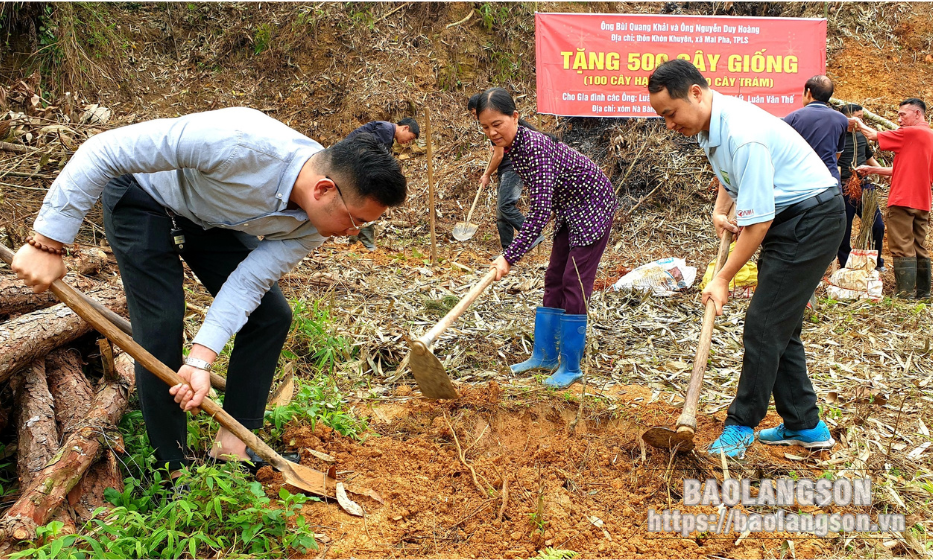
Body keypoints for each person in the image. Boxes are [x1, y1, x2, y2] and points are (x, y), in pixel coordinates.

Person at [11, 107, 407, 474]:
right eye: (355, 221)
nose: (353, 233)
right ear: (323, 189)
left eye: (364, 227)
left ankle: (234, 444)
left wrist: (200, 360)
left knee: (270, 315)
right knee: (161, 326)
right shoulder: (237, 142)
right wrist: (47, 242)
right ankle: (173, 468)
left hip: (209, 217)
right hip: (142, 197)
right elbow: (102, 150)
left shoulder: (316, 222)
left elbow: (250, 280)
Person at [648, 60, 845, 459]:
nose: (669, 124)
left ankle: (741, 425)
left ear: (696, 94)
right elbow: (730, 178)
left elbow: (759, 223)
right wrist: (723, 210)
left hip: (811, 219)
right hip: (792, 219)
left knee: (764, 324)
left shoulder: (742, 134)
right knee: (780, 326)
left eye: (670, 114)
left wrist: (722, 277)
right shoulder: (710, 126)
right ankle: (805, 425)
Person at [476, 88, 618, 389]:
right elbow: (548, 200)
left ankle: (570, 365)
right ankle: (544, 355)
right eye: (485, 127)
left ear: (515, 117)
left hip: (594, 205)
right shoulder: (516, 146)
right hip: (570, 209)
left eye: (497, 124)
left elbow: (539, 212)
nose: (491, 132)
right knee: (554, 276)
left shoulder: (535, 147)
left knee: (574, 281)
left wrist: (508, 256)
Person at [855, 98, 933, 299]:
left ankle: (904, 293)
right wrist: (873, 169)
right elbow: (903, 168)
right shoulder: (928, 135)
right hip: (922, 200)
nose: (899, 119)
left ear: (917, 113)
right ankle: (923, 293)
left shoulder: (910, 132)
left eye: (902, 115)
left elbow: (872, 135)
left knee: (901, 245)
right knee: (919, 245)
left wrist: (858, 123)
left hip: (903, 199)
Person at [468, 94, 542, 252]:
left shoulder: (517, 133)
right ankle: (508, 250)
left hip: (512, 169)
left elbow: (499, 155)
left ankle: (532, 235)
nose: (491, 131)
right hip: (506, 169)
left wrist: (487, 174)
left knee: (505, 206)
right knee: (501, 213)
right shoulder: (493, 127)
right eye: (485, 127)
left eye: (475, 112)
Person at [345, 117, 419, 250]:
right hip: (353, 164)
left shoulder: (386, 132)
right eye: (411, 137)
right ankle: (365, 243)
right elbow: (377, 159)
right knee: (367, 200)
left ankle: (355, 241)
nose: (409, 141)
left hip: (354, 165)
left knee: (360, 201)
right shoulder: (385, 130)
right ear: (405, 128)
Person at [837, 103, 885, 270]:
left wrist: (883, 172)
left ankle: (877, 262)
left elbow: (869, 158)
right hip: (845, 188)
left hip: (865, 186)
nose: (861, 123)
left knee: (877, 225)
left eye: (862, 118)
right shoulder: (837, 136)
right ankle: (846, 264)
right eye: (858, 118)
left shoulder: (861, 136)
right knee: (844, 229)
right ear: (847, 118)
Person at [782, 75, 850, 189]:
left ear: (808, 92)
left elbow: (784, 153)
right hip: (830, 181)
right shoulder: (841, 119)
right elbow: (838, 153)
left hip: (800, 182)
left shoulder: (792, 118)